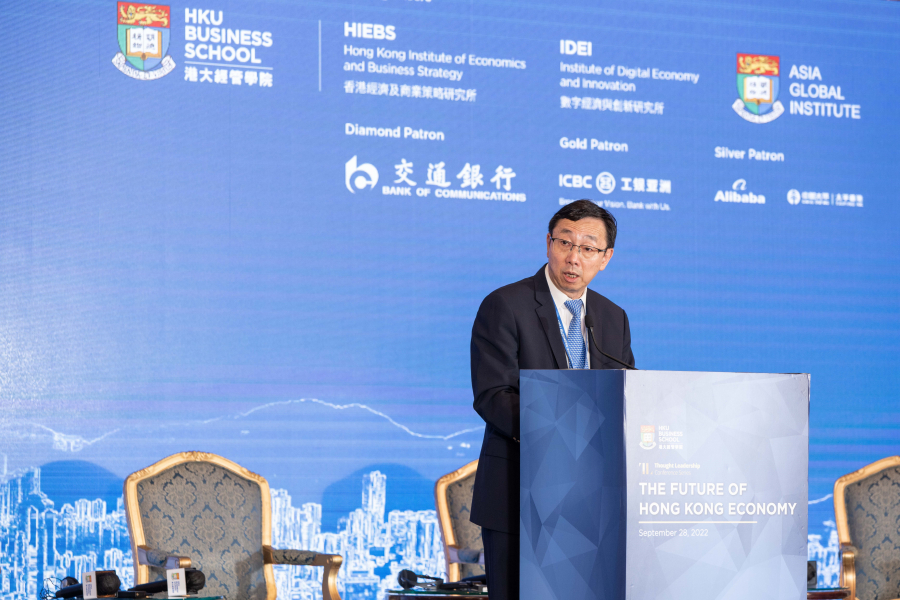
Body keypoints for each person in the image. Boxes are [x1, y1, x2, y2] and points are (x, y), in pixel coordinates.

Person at [469, 200, 634, 599]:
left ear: (606, 258)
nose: (574, 257)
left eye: (588, 248)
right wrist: (567, 437)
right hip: (521, 496)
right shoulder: (506, 304)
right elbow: (493, 395)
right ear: (548, 243)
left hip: (595, 503)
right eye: (565, 243)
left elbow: (627, 395)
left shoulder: (613, 318)